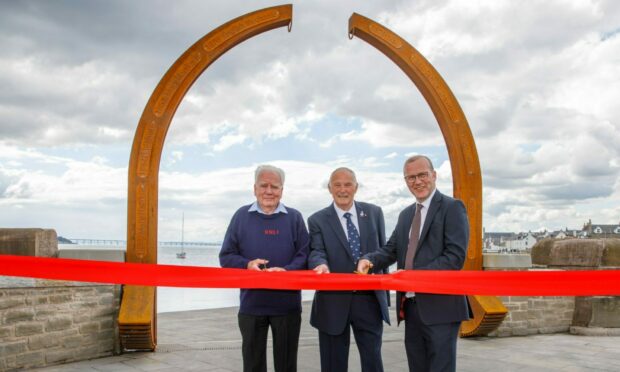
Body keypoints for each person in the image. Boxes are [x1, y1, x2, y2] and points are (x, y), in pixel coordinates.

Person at [357, 155, 471, 372]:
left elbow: (454, 257)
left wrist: (411, 275)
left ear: (434, 175)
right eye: (410, 178)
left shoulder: (453, 207)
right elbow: (390, 250)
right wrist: (368, 259)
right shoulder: (405, 214)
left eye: (422, 175)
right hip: (410, 306)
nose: (417, 181)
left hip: (442, 307)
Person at [219, 165, 309, 372]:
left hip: (287, 307)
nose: (269, 191)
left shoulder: (294, 217)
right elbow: (226, 256)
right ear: (254, 188)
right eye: (264, 185)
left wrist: (287, 271)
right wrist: (247, 265)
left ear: (282, 190)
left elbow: (305, 256)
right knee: (252, 366)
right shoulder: (241, 216)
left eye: (274, 186)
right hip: (251, 306)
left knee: (287, 366)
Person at [308, 167, 390, 372]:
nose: (342, 189)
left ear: (356, 187)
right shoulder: (317, 219)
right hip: (332, 302)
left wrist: (385, 298)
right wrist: (320, 264)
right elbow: (316, 251)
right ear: (329, 188)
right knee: (333, 364)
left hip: (369, 301)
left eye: (347, 184)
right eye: (337, 185)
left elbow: (383, 253)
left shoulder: (374, 213)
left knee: (373, 361)